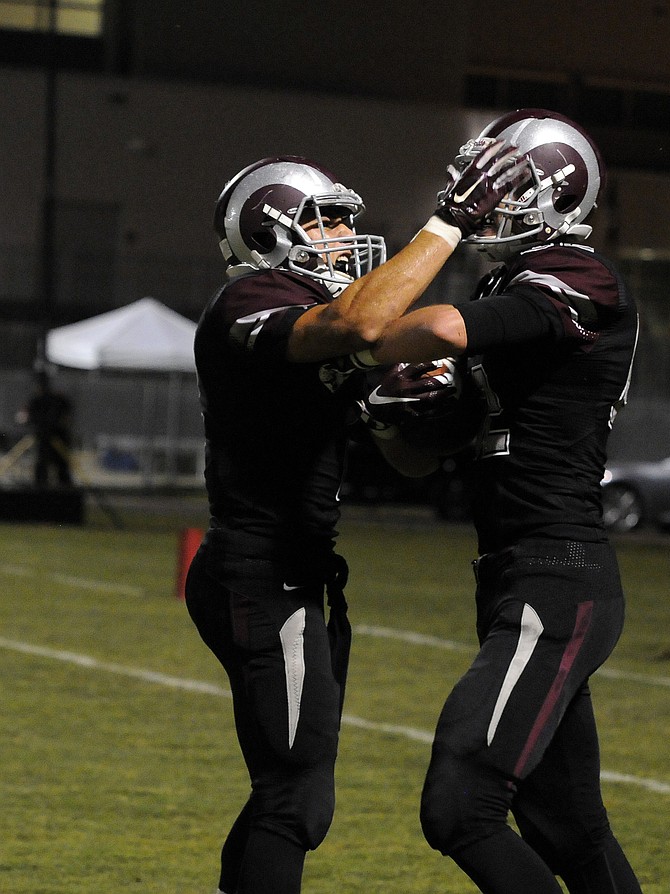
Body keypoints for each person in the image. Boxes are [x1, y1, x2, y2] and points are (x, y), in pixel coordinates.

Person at [184, 147, 525, 894]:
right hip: (260, 571)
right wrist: (448, 225)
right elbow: (363, 321)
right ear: (267, 229)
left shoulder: (320, 323)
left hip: (291, 572)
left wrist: (439, 410)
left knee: (283, 784)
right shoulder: (250, 303)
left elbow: (409, 461)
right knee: (298, 797)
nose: (343, 232)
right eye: (324, 218)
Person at [360, 109, 644, 894]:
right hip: (516, 576)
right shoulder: (506, 284)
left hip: (558, 576)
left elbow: (432, 329)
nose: (484, 194)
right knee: (571, 832)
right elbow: (421, 457)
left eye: (504, 179)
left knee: (460, 804)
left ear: (553, 192)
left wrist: (373, 318)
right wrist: (386, 416)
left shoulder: (581, 278)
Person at [16, 370, 74, 487]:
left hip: (49, 439)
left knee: (46, 468)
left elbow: (23, 419)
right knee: (60, 468)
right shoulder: (57, 399)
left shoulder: (37, 401)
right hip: (56, 438)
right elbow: (66, 417)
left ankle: (44, 493)